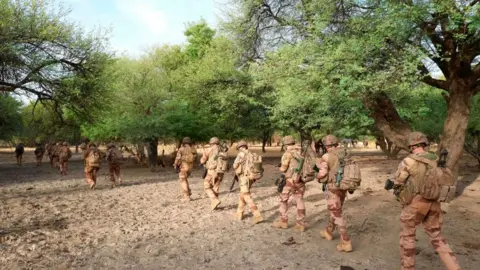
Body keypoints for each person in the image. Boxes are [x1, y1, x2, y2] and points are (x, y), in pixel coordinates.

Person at [393, 132, 461, 270]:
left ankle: (407, 268)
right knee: (437, 236)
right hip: (435, 203)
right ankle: (454, 267)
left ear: (411, 145)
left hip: (415, 204)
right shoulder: (437, 159)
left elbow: (398, 182)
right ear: (424, 144)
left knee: (408, 235)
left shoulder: (408, 161)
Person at [315, 135, 352, 252]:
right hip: (344, 187)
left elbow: (322, 174)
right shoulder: (345, 153)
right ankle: (328, 231)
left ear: (326, 145)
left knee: (337, 214)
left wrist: (318, 176)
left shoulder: (326, 156)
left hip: (333, 188)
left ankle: (346, 242)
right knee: (335, 210)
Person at [272, 135, 306, 232]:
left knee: (283, 200)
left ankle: (283, 222)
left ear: (285, 144)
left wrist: (280, 168)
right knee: (299, 200)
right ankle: (300, 224)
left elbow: (283, 168)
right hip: (301, 179)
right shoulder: (302, 151)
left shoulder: (288, 153)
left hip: (290, 181)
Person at [232, 140, 263, 224]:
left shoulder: (240, 155)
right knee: (242, 195)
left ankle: (257, 215)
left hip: (244, 178)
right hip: (251, 178)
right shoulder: (253, 154)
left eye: (239, 148)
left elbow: (234, 165)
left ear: (240, 147)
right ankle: (239, 213)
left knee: (247, 196)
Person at [200, 137, 225, 210]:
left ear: (211, 142)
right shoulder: (222, 150)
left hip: (212, 171)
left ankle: (214, 200)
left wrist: (202, 161)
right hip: (221, 171)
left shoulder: (209, 149)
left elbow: (203, 160)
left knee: (206, 186)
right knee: (216, 187)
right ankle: (215, 205)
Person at [174, 137, 197, 201]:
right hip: (191, 167)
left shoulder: (181, 149)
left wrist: (175, 164)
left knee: (182, 180)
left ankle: (186, 197)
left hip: (184, 166)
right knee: (185, 179)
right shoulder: (193, 149)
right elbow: (195, 158)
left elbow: (178, 158)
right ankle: (188, 193)